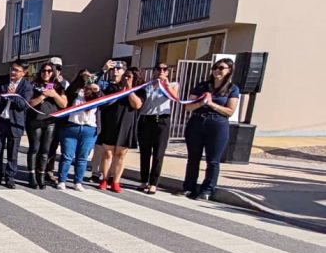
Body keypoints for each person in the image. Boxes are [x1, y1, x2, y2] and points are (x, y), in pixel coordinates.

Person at [181, 58, 240, 200]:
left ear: (229, 71)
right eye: (215, 67)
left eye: (221, 68)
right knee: (193, 158)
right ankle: (189, 187)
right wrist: (201, 102)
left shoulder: (232, 89)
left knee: (213, 160)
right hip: (197, 122)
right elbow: (188, 107)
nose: (217, 70)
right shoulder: (202, 86)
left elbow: (230, 111)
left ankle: (207, 189)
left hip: (217, 124)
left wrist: (212, 104)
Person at [97, 66, 143, 193]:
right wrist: (120, 93)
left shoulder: (140, 90)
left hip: (126, 124)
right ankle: (104, 179)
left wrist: (129, 90)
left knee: (121, 154)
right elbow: (105, 102)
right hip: (111, 123)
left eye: (130, 77)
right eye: (125, 76)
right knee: (108, 153)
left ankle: (116, 181)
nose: (126, 78)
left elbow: (137, 105)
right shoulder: (113, 87)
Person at [56, 70, 102, 191]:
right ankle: (61, 180)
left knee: (82, 157)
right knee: (67, 156)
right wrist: (80, 79)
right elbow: (70, 91)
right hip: (72, 126)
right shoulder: (76, 91)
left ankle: (78, 182)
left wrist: (96, 89)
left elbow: (104, 100)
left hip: (89, 128)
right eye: (85, 77)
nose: (87, 79)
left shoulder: (95, 93)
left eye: (89, 77)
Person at [137, 62, 179, 194]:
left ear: (167, 72)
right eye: (158, 69)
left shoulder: (173, 84)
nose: (161, 71)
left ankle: (153, 183)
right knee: (144, 151)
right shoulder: (147, 85)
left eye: (164, 69)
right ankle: (144, 180)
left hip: (162, 120)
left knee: (158, 153)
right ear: (154, 71)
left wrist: (165, 84)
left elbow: (174, 97)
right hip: (146, 120)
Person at [26, 62, 67, 189]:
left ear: (53, 72)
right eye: (44, 70)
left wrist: (54, 94)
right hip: (35, 120)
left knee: (45, 150)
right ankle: (32, 175)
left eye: (49, 71)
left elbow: (64, 104)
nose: (46, 73)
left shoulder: (58, 86)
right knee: (34, 148)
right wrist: (42, 96)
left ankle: (41, 175)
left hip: (50, 121)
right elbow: (29, 103)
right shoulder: (33, 85)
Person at [0, 61, 31, 188]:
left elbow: (23, 105)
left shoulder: (27, 86)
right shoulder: (2, 80)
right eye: (12, 69)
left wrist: (13, 95)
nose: (12, 72)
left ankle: (10, 177)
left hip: (15, 122)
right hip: (0, 120)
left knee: (12, 152)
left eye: (16, 70)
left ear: (24, 73)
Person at [89, 60, 124, 183]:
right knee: (99, 147)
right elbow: (91, 83)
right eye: (113, 69)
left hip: (119, 120)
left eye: (118, 69)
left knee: (115, 150)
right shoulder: (105, 84)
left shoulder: (125, 86)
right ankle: (95, 172)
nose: (115, 71)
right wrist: (103, 70)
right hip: (103, 119)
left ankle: (111, 174)